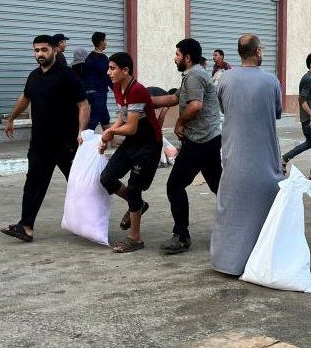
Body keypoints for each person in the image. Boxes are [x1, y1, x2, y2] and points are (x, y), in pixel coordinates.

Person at [0, 35, 89, 243]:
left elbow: (83, 105)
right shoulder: (34, 76)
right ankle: (26, 226)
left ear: (55, 51)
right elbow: (25, 97)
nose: (40, 54)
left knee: (79, 184)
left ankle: (97, 217)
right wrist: (11, 118)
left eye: (44, 50)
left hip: (66, 142)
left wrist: (81, 132)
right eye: (36, 50)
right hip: (40, 142)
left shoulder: (67, 76)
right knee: (33, 183)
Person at [211, 34, 283, 276]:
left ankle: (227, 262)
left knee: (231, 207)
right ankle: (259, 263)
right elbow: (277, 112)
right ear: (258, 52)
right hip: (264, 157)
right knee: (265, 208)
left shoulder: (225, 79)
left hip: (234, 155)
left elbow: (223, 108)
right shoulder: (271, 81)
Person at [155, 38, 223, 255]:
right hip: (208, 139)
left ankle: (182, 236)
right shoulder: (194, 74)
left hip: (200, 140)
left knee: (174, 185)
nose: (174, 58)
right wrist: (147, 100)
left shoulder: (194, 75)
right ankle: (241, 225)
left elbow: (195, 105)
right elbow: (175, 98)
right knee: (219, 186)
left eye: (177, 54)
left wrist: (179, 122)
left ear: (187, 57)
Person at [98, 52, 163, 253]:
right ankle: (138, 206)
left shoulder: (137, 90)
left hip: (148, 145)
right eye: (109, 68)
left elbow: (132, 127)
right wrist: (108, 135)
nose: (109, 72)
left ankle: (135, 238)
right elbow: (123, 117)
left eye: (112, 68)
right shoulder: (118, 87)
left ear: (125, 70)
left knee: (134, 188)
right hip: (133, 142)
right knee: (107, 178)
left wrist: (110, 131)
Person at [282, 52, 311, 179]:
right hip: (309, 118)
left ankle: (285, 158)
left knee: (309, 143)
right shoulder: (308, 79)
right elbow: (302, 99)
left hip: (308, 117)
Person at [81, 32, 112, 130]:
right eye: (105, 40)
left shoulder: (89, 57)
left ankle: (112, 140)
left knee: (104, 117)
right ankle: (84, 140)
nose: (106, 43)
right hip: (99, 92)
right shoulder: (103, 59)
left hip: (88, 92)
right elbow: (107, 75)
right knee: (94, 119)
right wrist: (117, 89)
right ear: (101, 42)